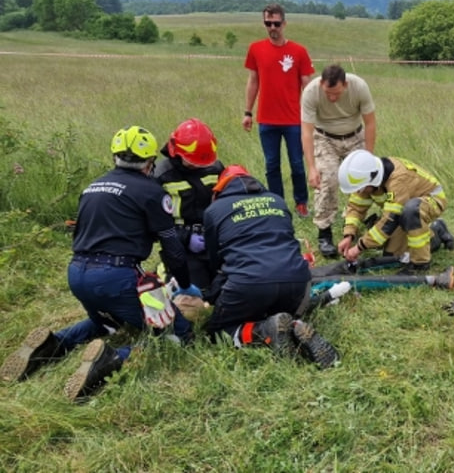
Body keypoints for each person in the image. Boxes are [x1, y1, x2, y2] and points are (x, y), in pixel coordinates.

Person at [0, 126, 202, 400]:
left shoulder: (92, 187)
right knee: (178, 336)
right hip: (116, 276)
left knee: (107, 322)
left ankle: (52, 344)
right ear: (150, 162)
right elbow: (173, 249)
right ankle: (111, 359)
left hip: (77, 273)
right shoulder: (152, 192)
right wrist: (185, 285)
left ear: (115, 157)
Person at [202, 165, 339, 368]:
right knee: (281, 313)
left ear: (220, 189)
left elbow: (215, 260)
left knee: (218, 333)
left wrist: (215, 293)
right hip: (298, 282)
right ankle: (295, 326)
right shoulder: (277, 200)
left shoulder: (214, 210)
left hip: (249, 284)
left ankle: (262, 330)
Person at [242, 3, 315, 217]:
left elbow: (308, 86)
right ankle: (277, 204)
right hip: (266, 120)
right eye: (268, 23)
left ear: (284, 23)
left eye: (276, 23)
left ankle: (301, 203)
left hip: (293, 120)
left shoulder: (298, 51)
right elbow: (253, 81)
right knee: (271, 165)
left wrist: (311, 117)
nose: (272, 27)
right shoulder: (256, 49)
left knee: (297, 164)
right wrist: (247, 112)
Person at [335, 149, 454, 275]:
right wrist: (348, 235)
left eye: (361, 189)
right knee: (393, 255)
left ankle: (420, 264)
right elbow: (356, 208)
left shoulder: (398, 180)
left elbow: (390, 220)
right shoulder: (369, 180)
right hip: (403, 208)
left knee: (411, 211)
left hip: (431, 200)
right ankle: (437, 231)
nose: (360, 192)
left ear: (372, 179)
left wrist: (359, 247)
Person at [301, 64, 377, 258]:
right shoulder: (311, 92)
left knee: (362, 181)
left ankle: (351, 225)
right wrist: (311, 168)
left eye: (336, 93)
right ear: (321, 84)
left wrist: (368, 158)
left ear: (346, 84)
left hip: (354, 135)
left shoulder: (359, 87)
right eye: (328, 93)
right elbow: (307, 132)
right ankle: (324, 233)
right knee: (328, 179)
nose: (332, 98)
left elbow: (370, 123)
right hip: (325, 137)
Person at [154, 118, 224, 301]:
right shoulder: (162, 176)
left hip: (214, 240)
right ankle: (164, 272)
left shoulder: (214, 168)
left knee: (227, 287)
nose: (198, 166)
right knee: (198, 294)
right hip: (181, 245)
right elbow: (156, 224)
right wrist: (185, 237)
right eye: (192, 161)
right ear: (176, 152)